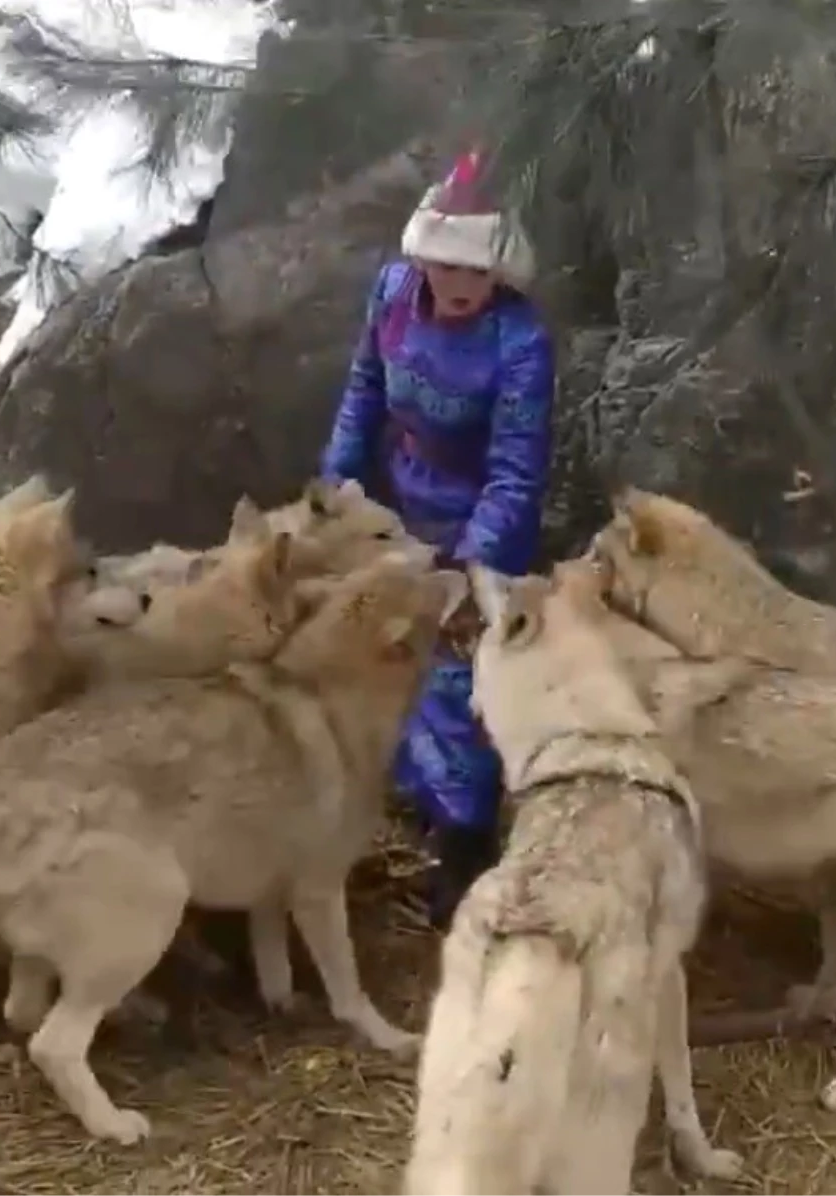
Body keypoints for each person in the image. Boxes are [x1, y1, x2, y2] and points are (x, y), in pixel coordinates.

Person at [320, 149, 556, 930]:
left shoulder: (519, 343)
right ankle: (419, 806)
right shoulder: (391, 294)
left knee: (456, 681)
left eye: (475, 271)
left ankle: (465, 842)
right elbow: (363, 390)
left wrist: (473, 559)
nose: (457, 284)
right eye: (445, 266)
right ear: (421, 256)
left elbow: (518, 469)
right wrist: (339, 485)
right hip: (397, 509)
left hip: (479, 525)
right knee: (387, 656)